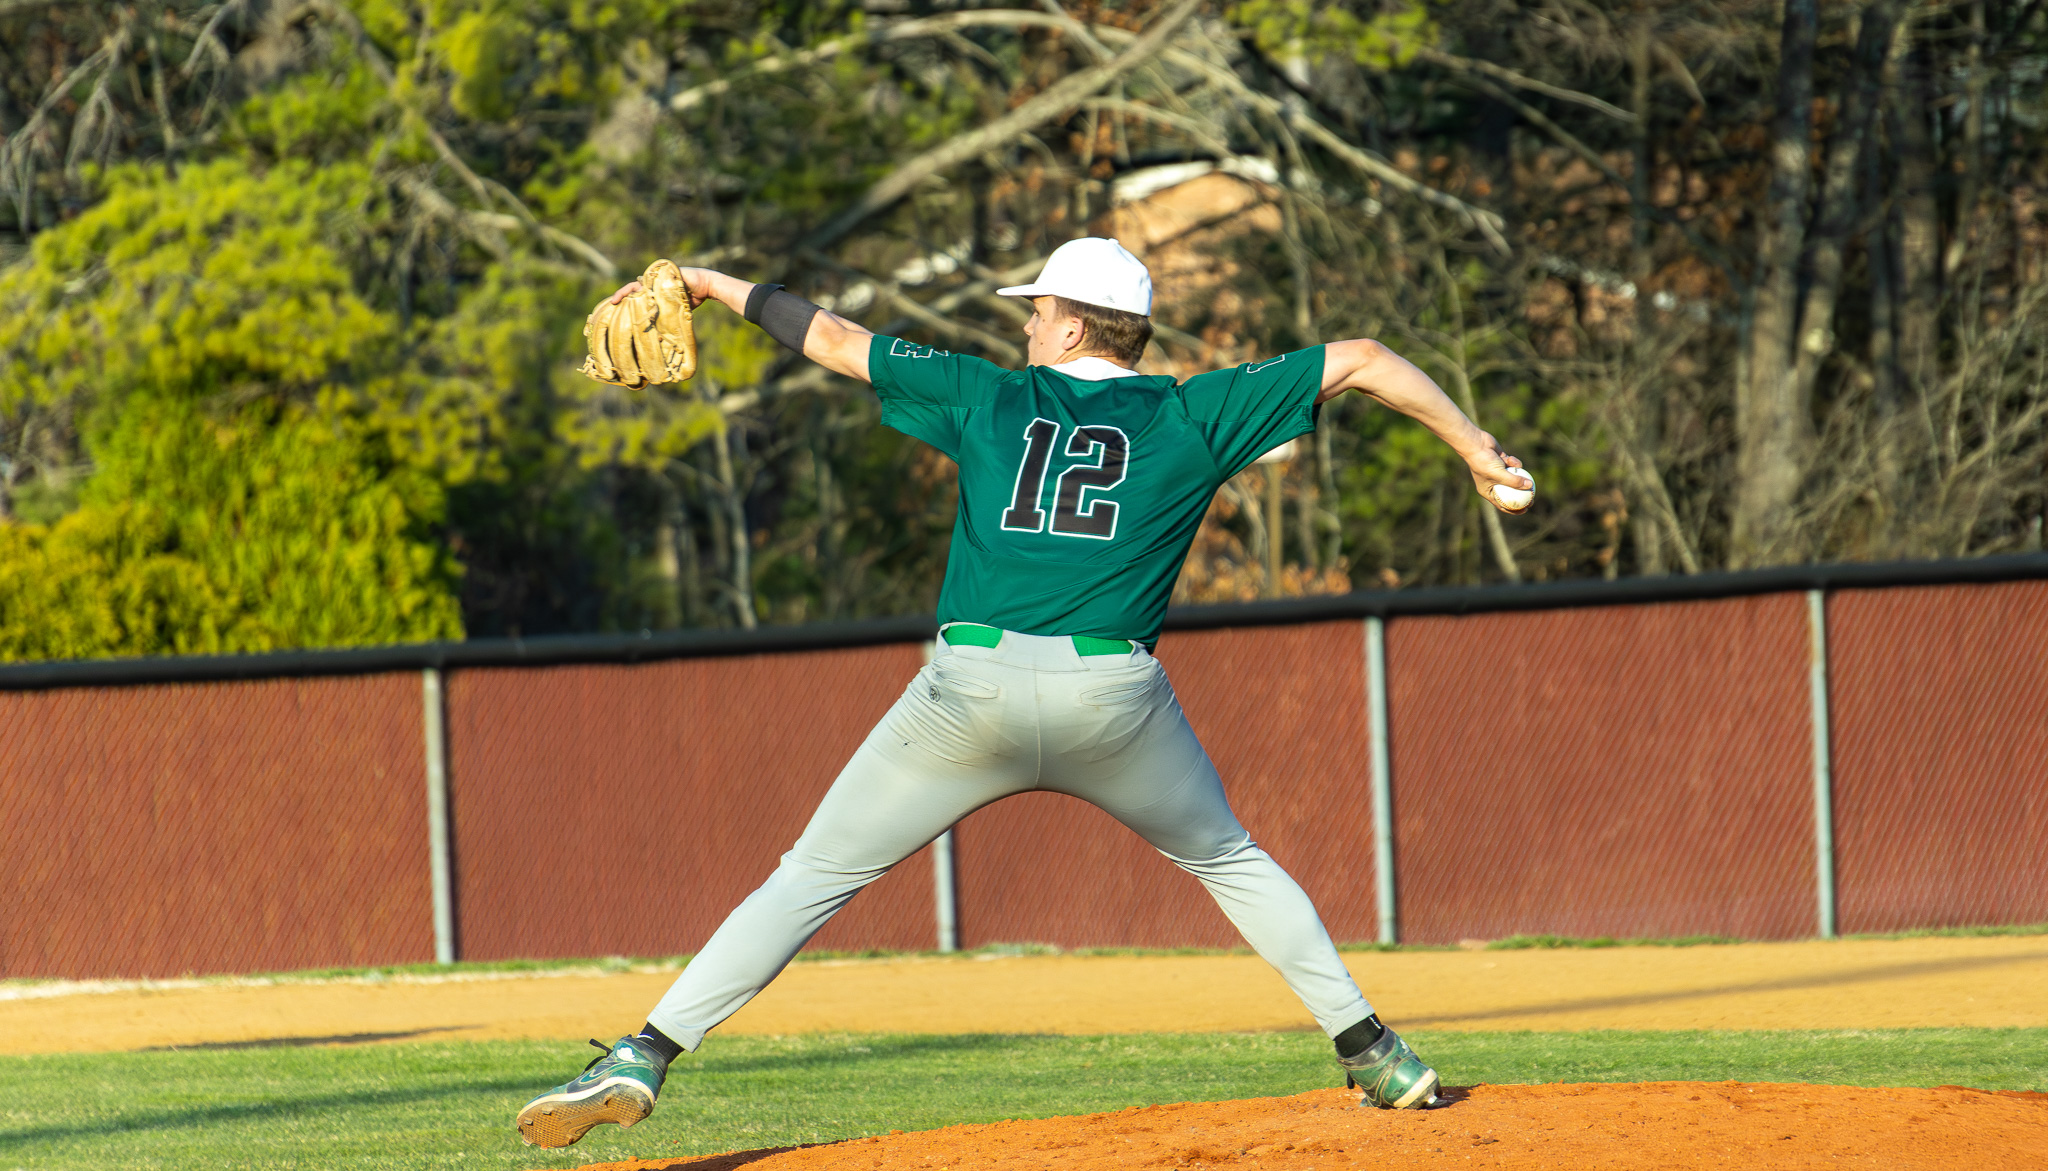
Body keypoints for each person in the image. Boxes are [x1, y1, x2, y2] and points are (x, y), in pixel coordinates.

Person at [515, 237, 1532, 1149]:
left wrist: (706, 283)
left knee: (808, 876)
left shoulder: (989, 395)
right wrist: (1471, 447)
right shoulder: (1191, 412)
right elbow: (1361, 358)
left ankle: (642, 1056)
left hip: (969, 693)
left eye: (1038, 308)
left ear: (1077, 324)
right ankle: (1374, 1053)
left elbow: (828, 336)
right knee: (1228, 859)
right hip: (1111, 697)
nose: (1026, 320)